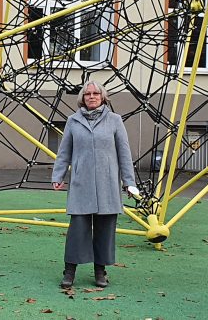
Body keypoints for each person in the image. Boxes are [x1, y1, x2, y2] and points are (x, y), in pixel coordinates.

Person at [51, 80, 137, 289]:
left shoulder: (115, 120)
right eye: (87, 93)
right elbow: (65, 152)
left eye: (95, 93)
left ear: (102, 97)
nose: (91, 96)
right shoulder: (73, 121)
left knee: (105, 230)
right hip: (81, 183)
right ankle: (69, 272)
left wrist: (129, 182)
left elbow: (124, 153)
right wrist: (58, 175)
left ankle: (100, 271)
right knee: (77, 229)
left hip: (107, 184)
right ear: (82, 98)